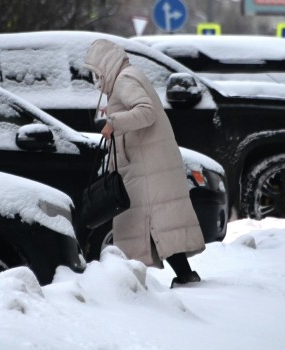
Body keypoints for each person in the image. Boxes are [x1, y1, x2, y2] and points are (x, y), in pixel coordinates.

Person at [84, 39, 205, 287]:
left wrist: (114, 122)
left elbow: (146, 112)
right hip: (144, 164)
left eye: (97, 71)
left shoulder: (124, 80)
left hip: (147, 166)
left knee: (152, 224)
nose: (96, 78)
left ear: (106, 64)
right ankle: (181, 276)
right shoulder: (126, 77)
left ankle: (137, 285)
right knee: (153, 225)